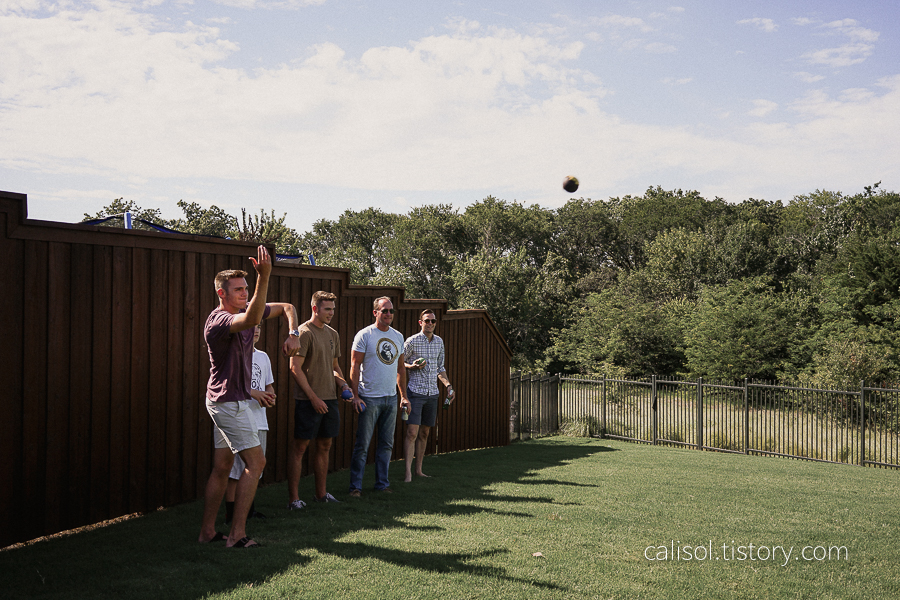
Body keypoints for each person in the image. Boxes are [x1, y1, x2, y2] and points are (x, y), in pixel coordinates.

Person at [198, 245, 300, 548]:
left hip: (231, 400)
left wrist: (293, 332)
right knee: (256, 464)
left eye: (246, 288)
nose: (244, 293)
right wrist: (264, 277)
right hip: (228, 403)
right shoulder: (220, 321)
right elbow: (254, 316)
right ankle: (237, 535)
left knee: (221, 467)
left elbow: (287, 308)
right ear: (222, 294)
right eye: (239, 290)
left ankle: (207, 532)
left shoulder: (243, 311)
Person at [287, 291, 351, 508]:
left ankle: (321, 494)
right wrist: (313, 398)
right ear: (315, 309)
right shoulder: (304, 333)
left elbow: (334, 367)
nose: (331, 313)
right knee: (300, 448)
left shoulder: (333, 334)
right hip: (308, 401)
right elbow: (294, 368)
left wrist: (343, 383)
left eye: (333, 309)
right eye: (327, 309)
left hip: (330, 399)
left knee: (325, 446)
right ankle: (294, 499)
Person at [348, 297, 410, 496]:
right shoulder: (365, 335)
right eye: (384, 311)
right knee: (363, 446)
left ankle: (382, 485)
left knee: (386, 445)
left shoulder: (398, 337)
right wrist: (355, 396)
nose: (389, 314)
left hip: (391, 399)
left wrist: (403, 396)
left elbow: (401, 367)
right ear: (375, 313)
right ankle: (355, 487)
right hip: (369, 399)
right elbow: (354, 366)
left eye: (391, 311)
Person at [224, 325, 275, 525]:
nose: (256, 330)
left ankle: (249, 511)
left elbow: (268, 383)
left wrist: (270, 395)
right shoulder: (234, 354)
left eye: (260, 327)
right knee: (235, 470)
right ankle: (230, 514)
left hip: (260, 419)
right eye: (251, 327)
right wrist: (256, 393)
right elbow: (232, 383)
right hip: (239, 417)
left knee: (254, 469)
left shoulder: (263, 356)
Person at [403, 310, 455, 482]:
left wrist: (448, 386)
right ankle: (408, 473)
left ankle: (419, 470)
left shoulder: (439, 342)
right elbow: (398, 362)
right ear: (420, 322)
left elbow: (440, 368)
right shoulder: (412, 341)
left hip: (433, 393)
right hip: (415, 392)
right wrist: (411, 367)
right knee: (412, 432)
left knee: (424, 433)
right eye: (427, 321)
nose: (430, 323)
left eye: (433, 321)